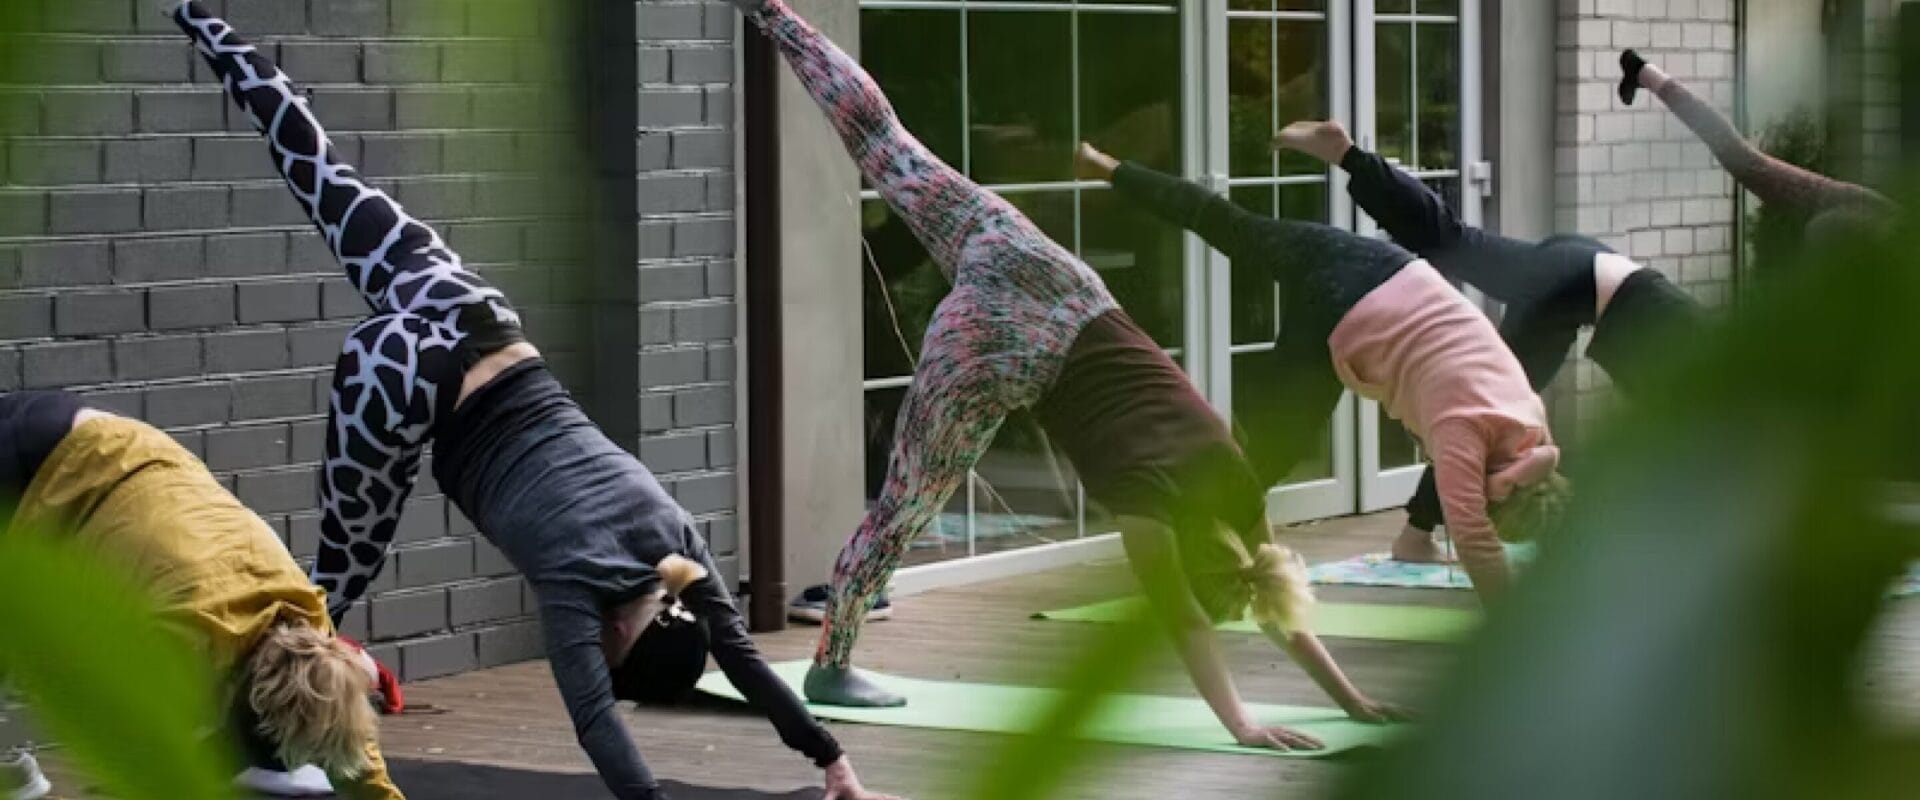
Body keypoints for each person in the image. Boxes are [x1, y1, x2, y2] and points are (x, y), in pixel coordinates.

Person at [165, 3, 895, 798]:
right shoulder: (575, 592)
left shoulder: (678, 548)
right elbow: (597, 727)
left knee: (324, 171)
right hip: (406, 387)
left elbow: (745, 662)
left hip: (475, 316)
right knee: (329, 587)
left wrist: (833, 760)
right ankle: (239, 745)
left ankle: (204, 21)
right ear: (620, 641)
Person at [723, 0, 1410, 747]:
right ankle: (832, 662)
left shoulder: (1236, 483)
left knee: (889, 146)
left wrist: (1352, 701)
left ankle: (770, 10)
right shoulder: (1149, 509)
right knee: (904, 508)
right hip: (1000, 352)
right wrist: (1246, 723)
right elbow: (1189, 619)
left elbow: (1270, 589)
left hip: (1048, 276)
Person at [1074, 142, 1573, 606]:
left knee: (1228, 223)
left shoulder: (1530, 417)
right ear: (1499, 497)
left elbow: (1531, 486)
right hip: (1342, 310)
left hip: (1378, 263)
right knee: (1274, 450)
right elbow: (1473, 539)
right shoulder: (1465, 429)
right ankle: (1199, 556)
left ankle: (1107, 167)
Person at [1271, 120, 1705, 564]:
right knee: (1475, 408)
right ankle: (1416, 535)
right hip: (1571, 288)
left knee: (1453, 241)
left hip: (1584, 267)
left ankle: (1349, 156)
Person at [0, 391, 402, 800]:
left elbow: (354, 752)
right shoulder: (180, 645)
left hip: (120, 441)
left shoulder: (311, 630)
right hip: (35, 463)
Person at [1619, 49, 1898, 247]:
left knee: (1741, 158)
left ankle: (1644, 72)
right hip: (1840, 211)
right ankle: (1643, 71)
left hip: (1847, 207)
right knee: (1741, 158)